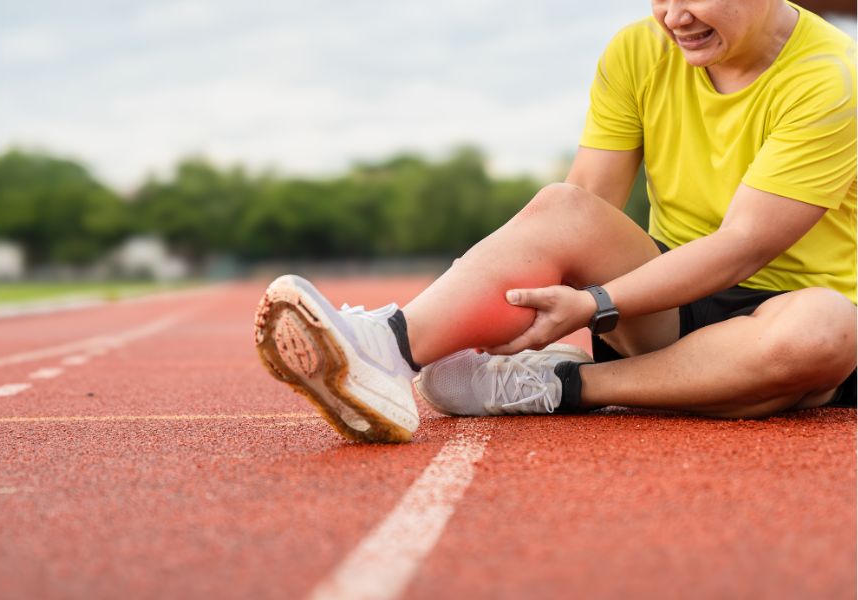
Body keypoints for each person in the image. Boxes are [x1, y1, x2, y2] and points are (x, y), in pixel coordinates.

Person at [253, 0, 857, 443]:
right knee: (564, 207)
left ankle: (561, 385)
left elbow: (743, 246)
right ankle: (383, 349)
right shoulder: (639, 49)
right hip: (667, 301)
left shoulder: (832, 79)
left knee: (822, 332)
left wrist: (594, 304)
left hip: (793, 312)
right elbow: (585, 204)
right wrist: (510, 294)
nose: (673, 16)